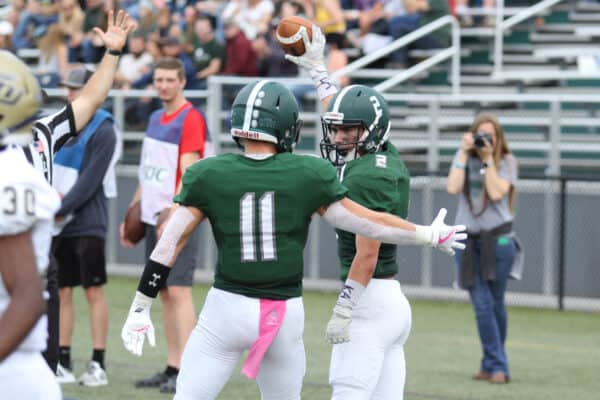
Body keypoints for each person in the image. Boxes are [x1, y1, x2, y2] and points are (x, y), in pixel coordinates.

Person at [120, 78, 466, 399]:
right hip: (281, 312)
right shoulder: (307, 172)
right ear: (286, 127)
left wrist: (141, 305)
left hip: (225, 308)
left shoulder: (208, 172)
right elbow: (369, 224)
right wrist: (428, 234)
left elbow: (169, 243)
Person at [0, 9, 133, 397]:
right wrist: (111, 55)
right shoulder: (41, 132)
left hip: (29, 271)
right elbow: (90, 98)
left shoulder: (33, 143)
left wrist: (111, 55)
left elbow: (91, 99)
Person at [285, 25, 415, 399]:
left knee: (348, 392)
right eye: (337, 130)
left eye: (349, 131)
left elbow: (368, 252)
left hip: (369, 302)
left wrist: (345, 307)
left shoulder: (363, 178)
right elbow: (341, 109)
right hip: (390, 302)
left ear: (370, 130)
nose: (339, 138)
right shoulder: (380, 156)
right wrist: (318, 71)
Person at [119, 57, 210, 394]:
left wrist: (175, 212)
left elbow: (190, 171)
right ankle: (173, 366)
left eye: (170, 79)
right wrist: (133, 207)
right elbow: (150, 168)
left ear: (182, 82)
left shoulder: (191, 118)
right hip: (152, 215)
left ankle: (190, 370)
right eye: (158, 79)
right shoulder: (156, 117)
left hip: (175, 218)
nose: (163, 85)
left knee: (181, 291)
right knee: (165, 292)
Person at [51, 65, 121, 387]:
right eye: (68, 88)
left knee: (93, 291)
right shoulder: (62, 126)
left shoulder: (104, 128)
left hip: (88, 221)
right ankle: (62, 360)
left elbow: (91, 181)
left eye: (76, 88)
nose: (70, 94)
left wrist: (57, 208)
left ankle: (98, 364)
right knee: (62, 291)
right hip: (60, 223)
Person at [446, 113, 519, 385]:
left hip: (499, 240)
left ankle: (491, 363)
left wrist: (488, 158)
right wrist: (463, 153)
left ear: (498, 138)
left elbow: (497, 192)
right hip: (467, 239)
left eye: (490, 135)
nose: (485, 139)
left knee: (495, 302)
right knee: (482, 302)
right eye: (480, 134)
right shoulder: (464, 159)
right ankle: (499, 365)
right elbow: (452, 187)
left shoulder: (507, 162)